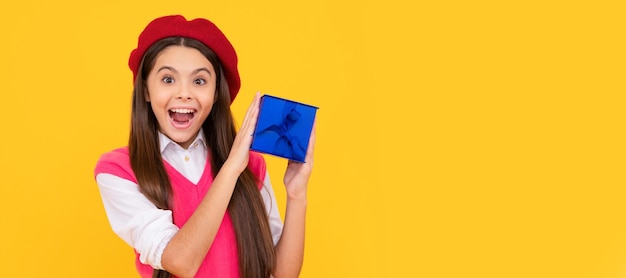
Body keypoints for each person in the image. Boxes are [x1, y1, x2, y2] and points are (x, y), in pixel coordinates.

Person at [94, 15, 315, 278]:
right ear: (145, 90)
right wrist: (232, 167)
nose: (184, 93)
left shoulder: (252, 165)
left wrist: (296, 195)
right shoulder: (117, 170)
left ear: (216, 93)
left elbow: (281, 274)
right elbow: (181, 262)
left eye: (199, 81)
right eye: (168, 79)